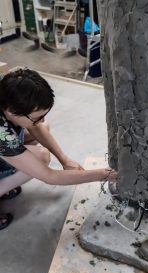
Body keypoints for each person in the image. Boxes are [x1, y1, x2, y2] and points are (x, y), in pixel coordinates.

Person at [0, 68, 117, 230]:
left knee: (41, 128)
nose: (41, 119)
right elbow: (50, 177)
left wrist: (64, 159)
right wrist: (104, 175)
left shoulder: (6, 86)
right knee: (40, 157)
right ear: (11, 111)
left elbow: (37, 126)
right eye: (36, 116)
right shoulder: (1, 134)